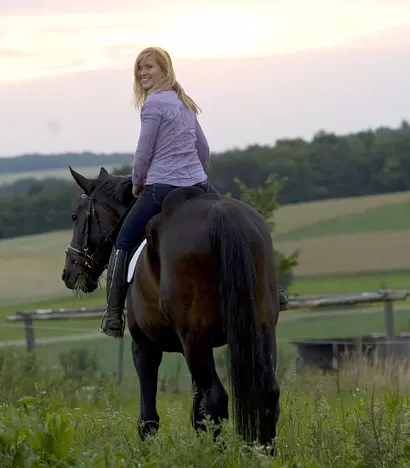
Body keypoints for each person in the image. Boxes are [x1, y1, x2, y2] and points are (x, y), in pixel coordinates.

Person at [100, 47, 288, 338]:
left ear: (165, 69)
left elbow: (144, 151)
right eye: (139, 68)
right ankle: (275, 291)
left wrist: (138, 181)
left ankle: (113, 315)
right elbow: (203, 148)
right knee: (239, 225)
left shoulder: (152, 106)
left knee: (123, 240)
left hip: (161, 187)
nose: (143, 73)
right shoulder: (184, 102)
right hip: (199, 183)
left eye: (149, 66)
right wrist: (194, 172)